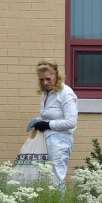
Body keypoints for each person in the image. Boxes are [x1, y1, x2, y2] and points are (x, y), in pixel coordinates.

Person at [26, 59, 78, 190]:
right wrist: (38, 120)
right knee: (45, 178)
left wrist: (48, 125)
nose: (45, 83)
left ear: (57, 75)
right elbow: (49, 115)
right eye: (41, 80)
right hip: (46, 139)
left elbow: (71, 122)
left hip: (60, 141)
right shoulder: (46, 93)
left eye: (48, 79)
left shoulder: (66, 93)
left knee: (56, 179)